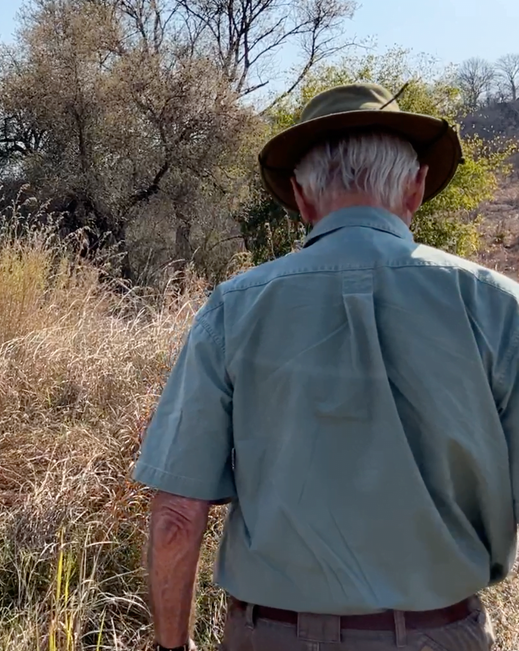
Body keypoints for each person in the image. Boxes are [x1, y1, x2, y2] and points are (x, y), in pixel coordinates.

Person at [133, 82, 517, 651]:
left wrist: (172, 646)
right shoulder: (499, 307)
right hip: (440, 634)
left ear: (301, 198)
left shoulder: (232, 309)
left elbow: (177, 519)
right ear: (415, 189)